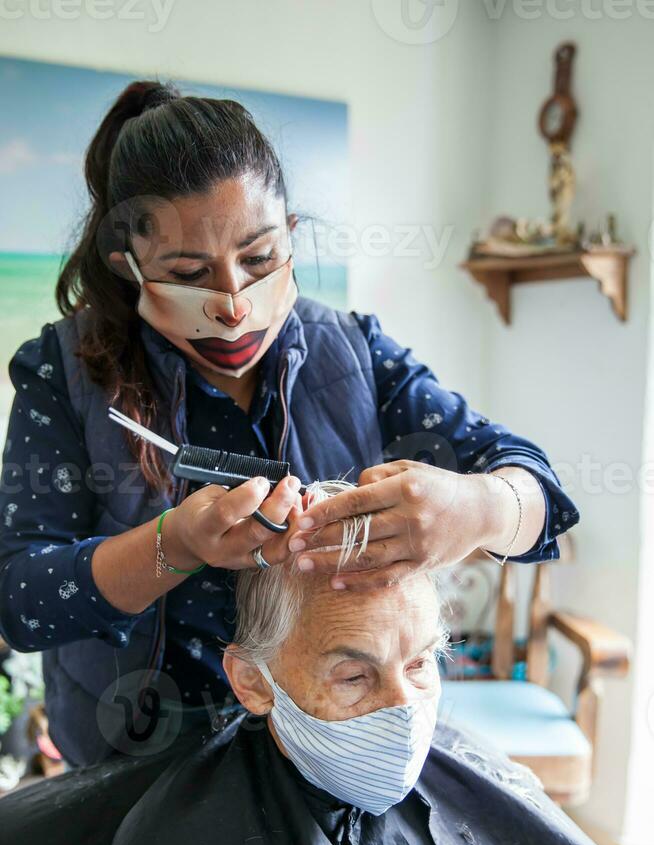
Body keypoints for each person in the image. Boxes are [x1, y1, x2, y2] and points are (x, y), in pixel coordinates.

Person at [0, 79, 579, 768]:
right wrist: (175, 544)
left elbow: (542, 493)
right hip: (141, 770)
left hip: (338, 755)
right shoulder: (64, 377)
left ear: (292, 236)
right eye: (190, 272)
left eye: (259, 258)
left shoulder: (357, 356)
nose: (236, 305)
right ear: (131, 270)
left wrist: (477, 508)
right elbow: (22, 599)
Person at [0, 484, 649, 845]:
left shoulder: (484, 778)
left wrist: (490, 502)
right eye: (354, 678)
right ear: (252, 682)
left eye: (421, 662)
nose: (404, 707)